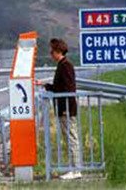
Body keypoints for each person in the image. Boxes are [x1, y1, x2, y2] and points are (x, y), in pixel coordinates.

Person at [40, 38, 81, 180]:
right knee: (69, 137)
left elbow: (68, 89)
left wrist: (65, 109)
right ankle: (73, 168)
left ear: (58, 51)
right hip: (64, 108)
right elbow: (59, 87)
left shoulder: (65, 66)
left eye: (52, 51)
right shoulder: (62, 65)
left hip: (66, 109)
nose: (50, 54)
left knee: (71, 138)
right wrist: (46, 85)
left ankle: (75, 170)